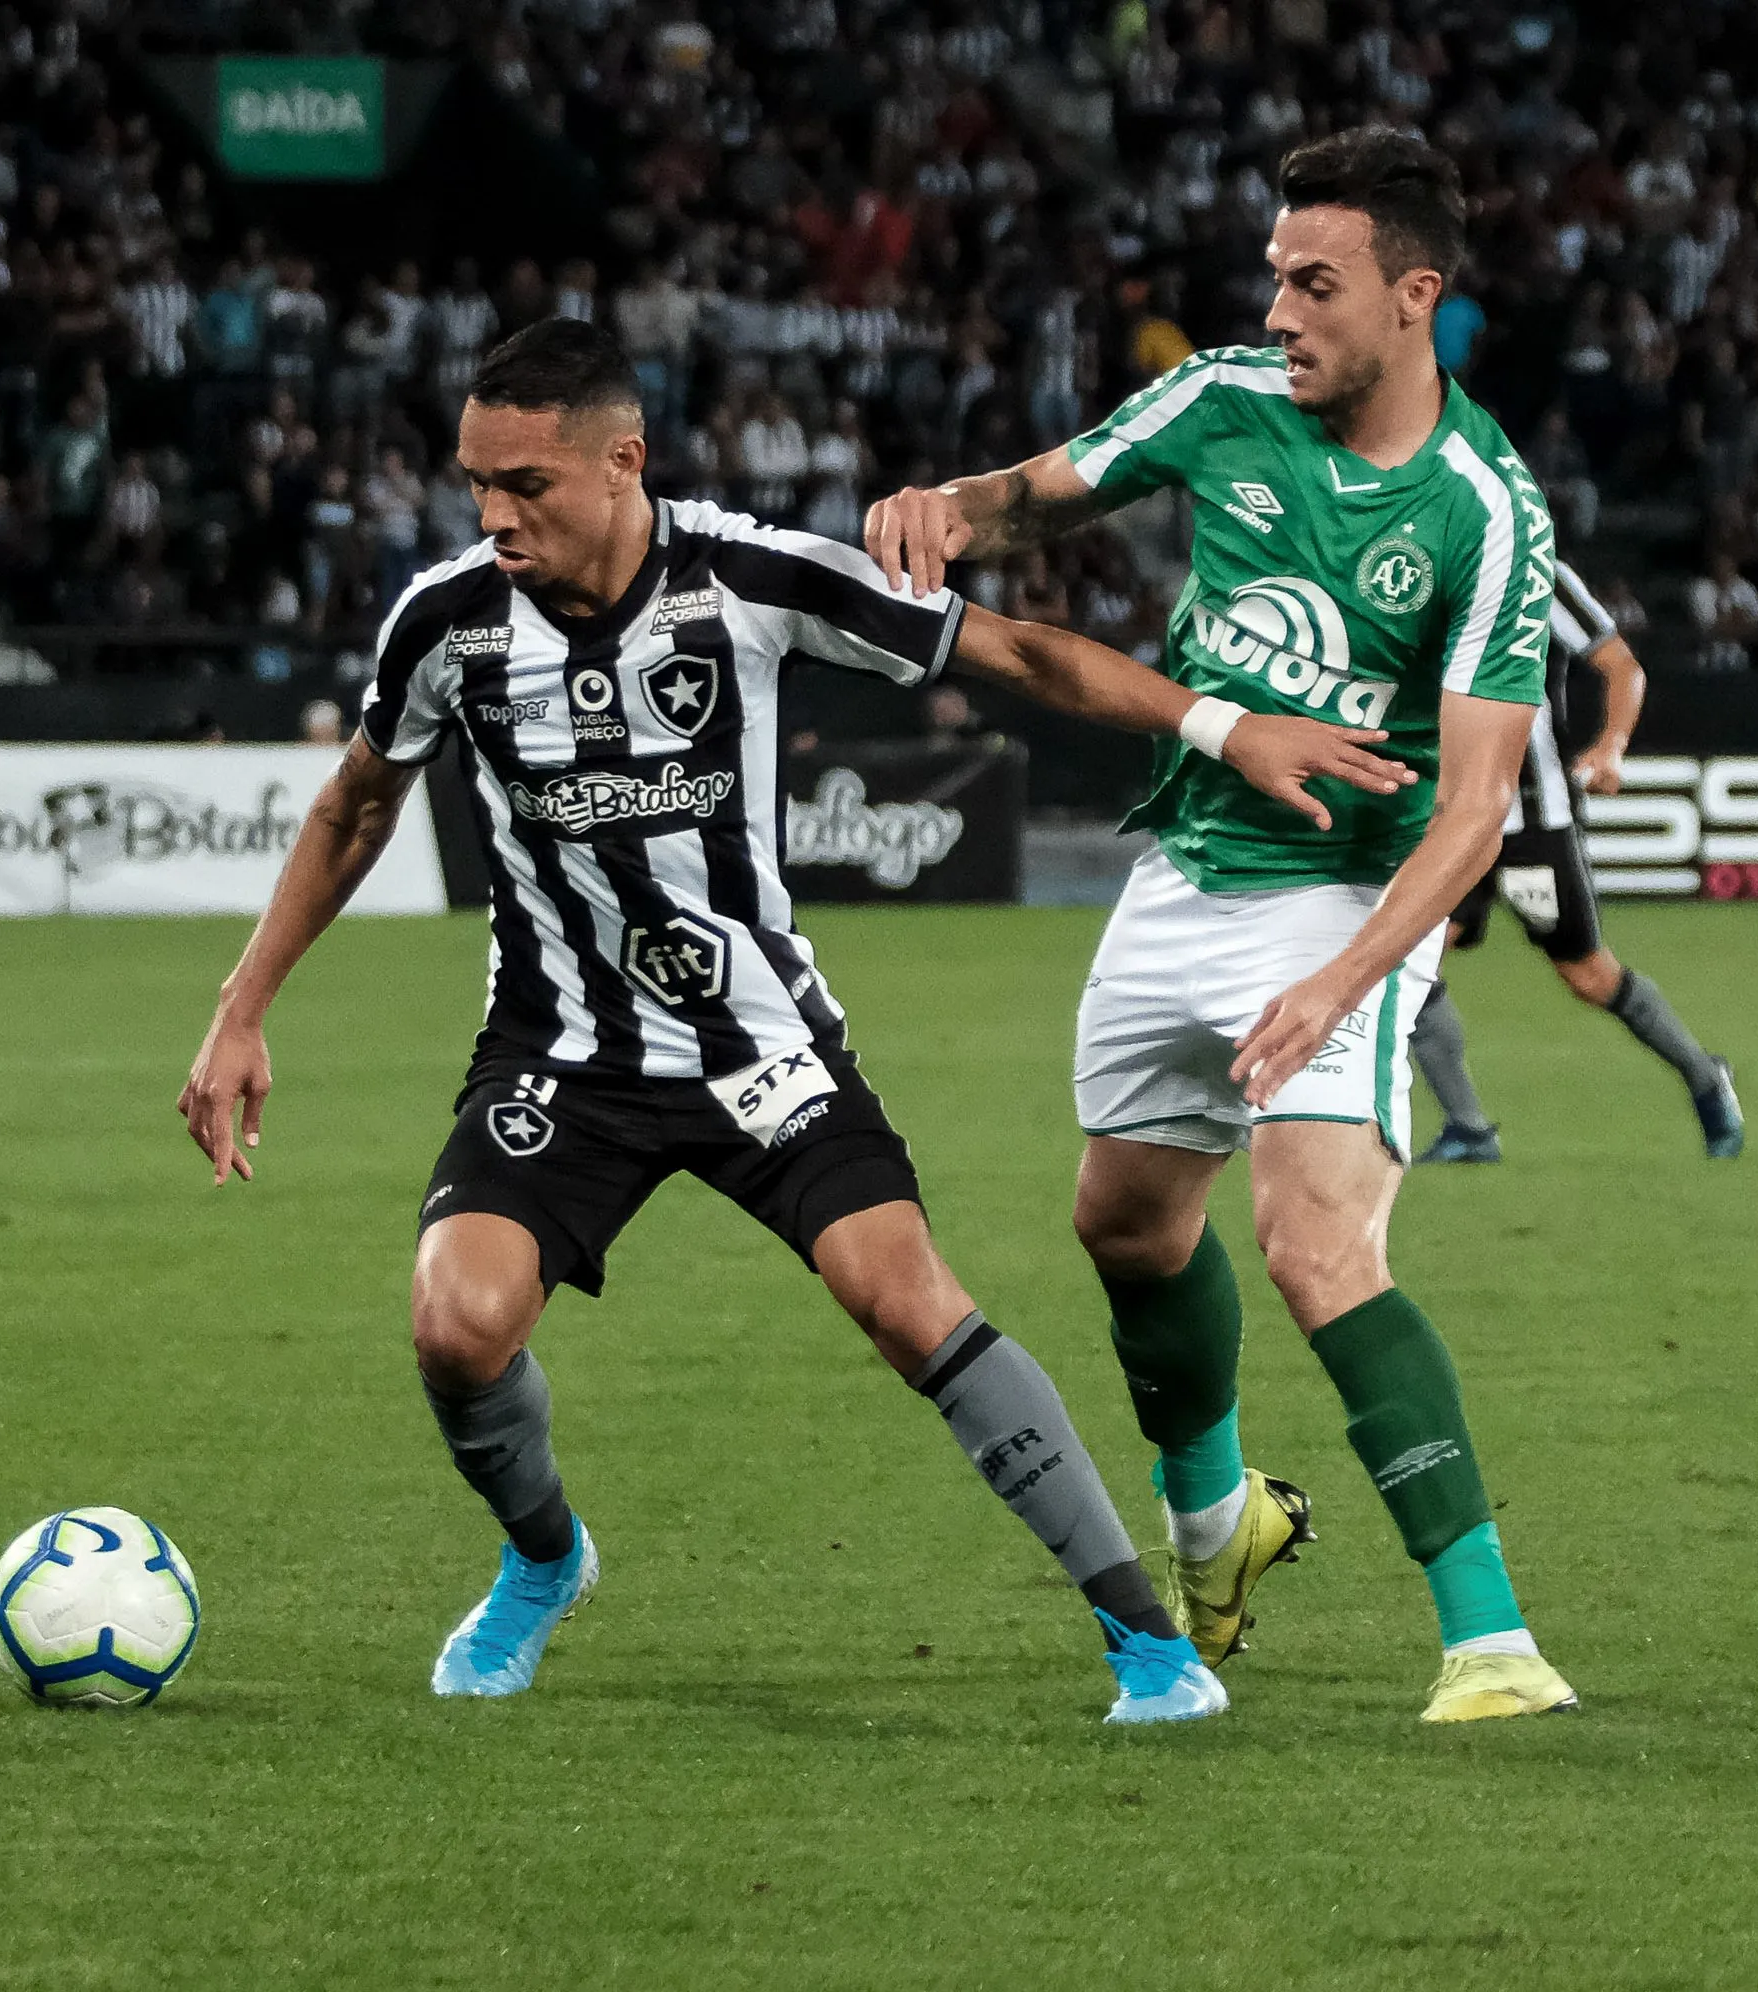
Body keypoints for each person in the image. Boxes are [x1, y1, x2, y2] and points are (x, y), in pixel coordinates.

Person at [174, 319, 1404, 1722]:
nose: (492, 513)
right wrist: (241, 1007)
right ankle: (542, 1561)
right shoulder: (445, 621)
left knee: (906, 1301)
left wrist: (1219, 728)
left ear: (619, 462)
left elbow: (1016, 654)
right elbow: (353, 804)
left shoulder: (751, 579)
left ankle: (1148, 1645)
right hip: (562, 1055)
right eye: (474, 482)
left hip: (760, 1047)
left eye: (525, 483)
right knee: (455, 1326)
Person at [862, 128, 1579, 1723]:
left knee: (1315, 1243)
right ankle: (1221, 1525)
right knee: (1122, 1224)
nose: (1277, 310)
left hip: (1343, 899)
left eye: (1311, 285)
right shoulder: (1219, 403)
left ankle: (1489, 1639)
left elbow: (1472, 814)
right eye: (1270, 277)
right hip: (1183, 868)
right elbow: (1030, 500)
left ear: (1413, 298)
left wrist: (1338, 984)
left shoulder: (1483, 513)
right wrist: (940, 510)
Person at [1407, 558, 1743, 1164]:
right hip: (1446, 816)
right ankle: (1469, 1128)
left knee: (1588, 974)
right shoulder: (1406, 567)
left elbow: (1620, 666)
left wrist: (1611, 747)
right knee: (1407, 956)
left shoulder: (1534, 570)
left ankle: (1703, 1075)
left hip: (1533, 818)